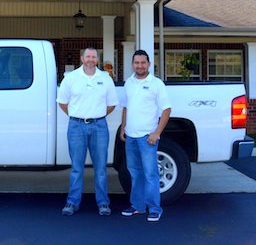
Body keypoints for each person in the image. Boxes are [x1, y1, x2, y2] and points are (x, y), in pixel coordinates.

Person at [57, 47, 119, 216]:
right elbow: (62, 102)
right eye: (88, 56)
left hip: (99, 127)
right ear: (82, 58)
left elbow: (112, 103)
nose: (91, 59)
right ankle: (72, 202)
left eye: (94, 57)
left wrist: (97, 115)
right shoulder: (71, 78)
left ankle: (103, 203)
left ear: (97, 60)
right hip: (76, 126)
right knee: (77, 168)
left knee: (100, 168)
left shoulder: (105, 79)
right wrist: (77, 115)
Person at [119, 49, 171, 222]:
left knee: (150, 174)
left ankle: (155, 208)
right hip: (131, 136)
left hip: (147, 137)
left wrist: (157, 133)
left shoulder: (156, 84)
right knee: (135, 172)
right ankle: (138, 206)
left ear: (149, 64)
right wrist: (123, 128)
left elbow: (166, 110)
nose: (139, 65)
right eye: (136, 62)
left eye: (143, 62)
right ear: (132, 64)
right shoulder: (129, 83)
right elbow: (126, 107)